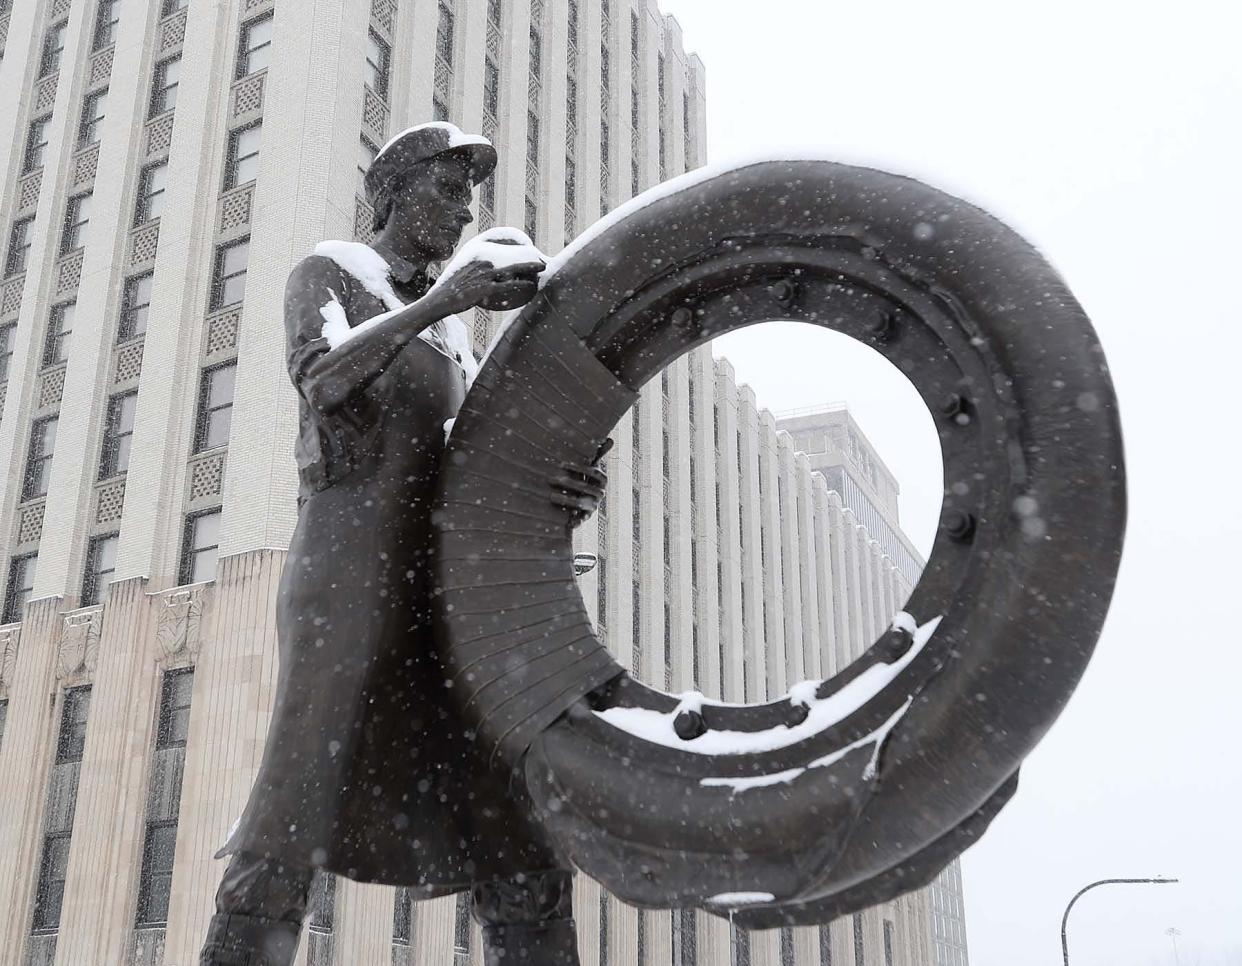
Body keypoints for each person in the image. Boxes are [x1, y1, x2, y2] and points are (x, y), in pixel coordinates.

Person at [199, 122, 605, 966]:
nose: (462, 210)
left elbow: (462, 468)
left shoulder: (451, 335)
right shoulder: (332, 272)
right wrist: (446, 300)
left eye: (470, 196)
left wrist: (561, 482)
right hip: (348, 580)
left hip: (440, 597)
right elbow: (323, 378)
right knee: (291, 816)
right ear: (393, 192)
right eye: (446, 189)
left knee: (518, 827)